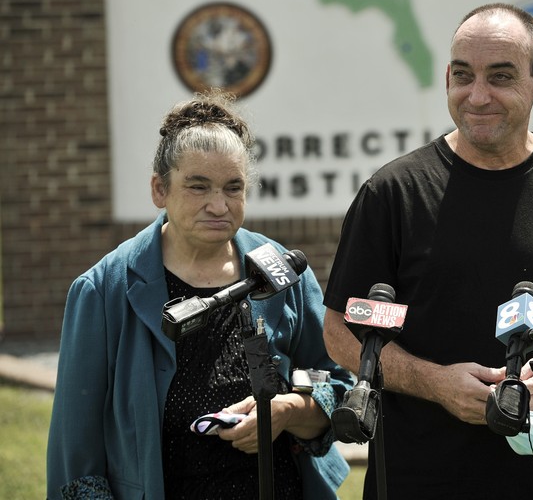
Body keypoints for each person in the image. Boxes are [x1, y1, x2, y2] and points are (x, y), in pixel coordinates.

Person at [322, 2, 533, 499]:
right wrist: (435, 384)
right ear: (446, 77)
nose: (478, 95)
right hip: (420, 478)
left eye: (501, 76)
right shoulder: (393, 194)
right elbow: (340, 332)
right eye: (463, 76)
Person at [46, 91, 354, 499]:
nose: (218, 205)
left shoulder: (283, 271)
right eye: (198, 186)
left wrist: (287, 412)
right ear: (160, 190)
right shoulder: (104, 291)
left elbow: (336, 383)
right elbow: (76, 456)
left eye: (233, 187)